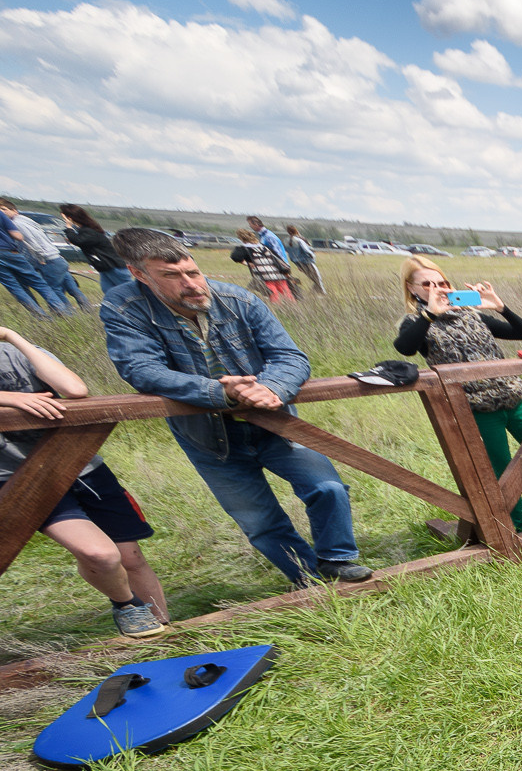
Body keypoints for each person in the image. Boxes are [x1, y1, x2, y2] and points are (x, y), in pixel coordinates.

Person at [101, 228, 371, 586]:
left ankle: (336, 559)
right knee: (259, 520)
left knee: (327, 487)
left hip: (273, 422)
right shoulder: (124, 307)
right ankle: (308, 580)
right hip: (207, 437)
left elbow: (289, 356)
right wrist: (218, 392)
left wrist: (271, 388)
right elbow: (141, 369)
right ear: (139, 274)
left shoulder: (238, 299)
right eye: (172, 275)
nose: (191, 284)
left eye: (193, 272)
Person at [0, 326, 170, 636]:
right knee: (99, 554)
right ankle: (127, 605)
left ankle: (163, 629)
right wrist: (11, 398)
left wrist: (14, 337)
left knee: (130, 557)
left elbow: (75, 389)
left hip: (83, 467)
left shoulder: (19, 352)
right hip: (22, 479)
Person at [394, 259, 522, 532]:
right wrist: (430, 314)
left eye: (442, 282)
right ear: (411, 289)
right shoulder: (415, 322)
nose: (438, 289)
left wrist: (499, 306)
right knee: (504, 472)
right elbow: (405, 348)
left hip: (512, 398)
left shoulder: (471, 314)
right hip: (477, 407)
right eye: (428, 284)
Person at [0, 202, 75, 314]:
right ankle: (64, 312)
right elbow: (18, 236)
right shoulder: (7, 217)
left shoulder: (18, 221)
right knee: (38, 283)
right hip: (10, 252)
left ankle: (40, 316)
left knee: (15, 288)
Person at [61, 205, 127, 296]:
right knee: (109, 292)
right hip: (105, 267)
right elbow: (79, 240)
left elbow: (78, 240)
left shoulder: (89, 231)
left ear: (70, 218)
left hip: (114, 266)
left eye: (65, 218)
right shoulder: (86, 230)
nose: (65, 220)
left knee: (128, 292)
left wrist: (69, 227)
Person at [230, 229, 294, 301]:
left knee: (273, 295)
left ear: (241, 238)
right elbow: (278, 259)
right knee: (287, 295)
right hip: (279, 274)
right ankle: (292, 307)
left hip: (264, 276)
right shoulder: (264, 247)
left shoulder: (244, 249)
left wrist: (247, 263)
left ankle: (275, 307)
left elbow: (235, 257)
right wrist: (286, 272)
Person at [285, 226, 326, 297]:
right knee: (317, 278)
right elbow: (306, 250)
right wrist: (312, 255)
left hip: (298, 264)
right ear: (296, 231)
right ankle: (321, 293)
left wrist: (298, 265)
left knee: (314, 279)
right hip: (307, 261)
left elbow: (289, 253)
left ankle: (313, 294)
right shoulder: (299, 240)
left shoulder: (286, 241)